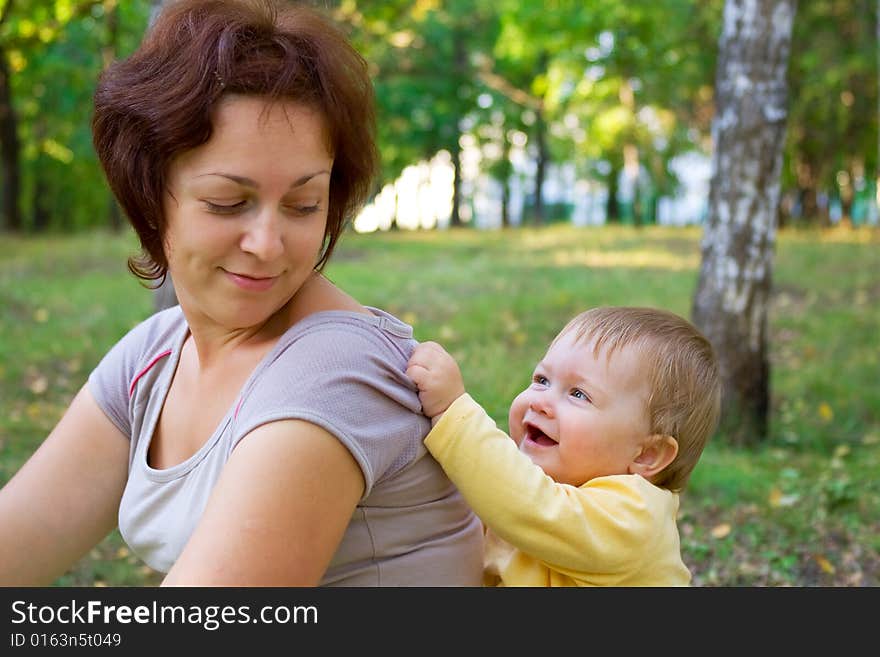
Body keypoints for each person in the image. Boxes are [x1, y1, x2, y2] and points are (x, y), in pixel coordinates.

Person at [0, 0, 483, 586]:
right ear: (150, 193)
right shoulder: (156, 356)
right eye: (228, 202)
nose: (268, 243)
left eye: (304, 205)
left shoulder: (337, 373)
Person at [406, 306, 722, 586]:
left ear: (647, 454)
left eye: (578, 394)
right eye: (542, 379)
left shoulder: (634, 518)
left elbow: (528, 505)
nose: (541, 402)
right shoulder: (534, 487)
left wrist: (452, 413)